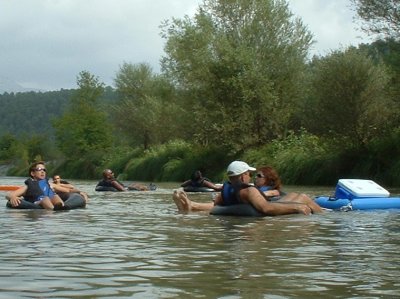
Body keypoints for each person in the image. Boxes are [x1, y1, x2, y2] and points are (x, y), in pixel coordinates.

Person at [173, 161, 314, 216]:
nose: (251, 177)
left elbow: (215, 205)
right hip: (266, 207)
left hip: (244, 205)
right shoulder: (249, 190)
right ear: (242, 177)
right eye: (249, 174)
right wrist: (297, 208)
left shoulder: (226, 189)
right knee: (302, 197)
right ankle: (323, 216)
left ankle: (191, 205)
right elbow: (266, 209)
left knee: (296, 195)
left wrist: (195, 205)